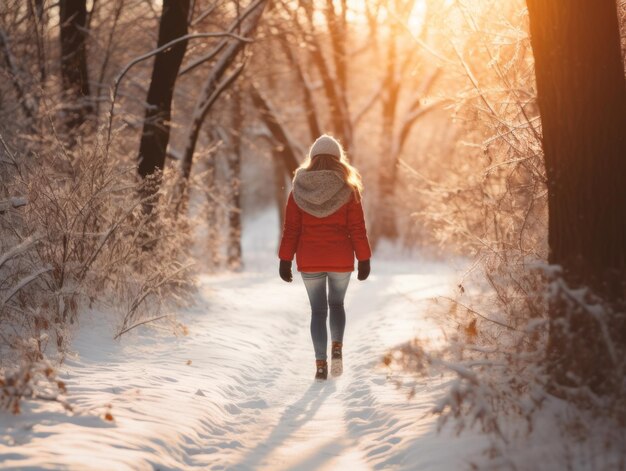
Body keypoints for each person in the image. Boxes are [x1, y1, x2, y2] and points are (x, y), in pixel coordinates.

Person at [278, 134, 372, 380]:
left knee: (318, 311)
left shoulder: (297, 190)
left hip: (309, 260)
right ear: (338, 160)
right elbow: (357, 229)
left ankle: (321, 365)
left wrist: (285, 259)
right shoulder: (349, 190)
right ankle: (337, 348)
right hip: (341, 259)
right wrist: (364, 258)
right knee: (337, 305)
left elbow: (292, 230)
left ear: (313, 158)